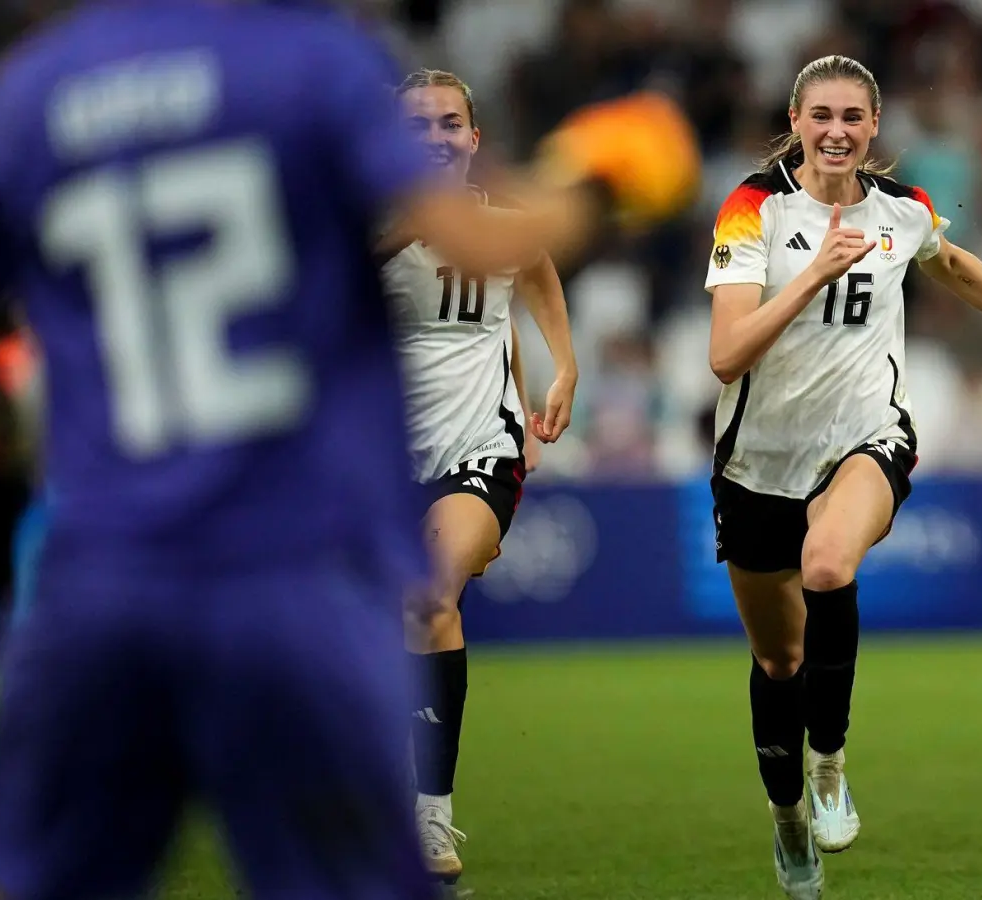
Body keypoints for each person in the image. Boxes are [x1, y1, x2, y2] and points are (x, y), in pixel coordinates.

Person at [0, 1, 698, 897]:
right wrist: (605, 173)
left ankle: (433, 806)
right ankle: (420, 812)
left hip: (98, 583)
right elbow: (487, 239)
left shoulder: (17, 99)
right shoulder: (308, 64)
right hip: (282, 572)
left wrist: (15, 433)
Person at [704, 54, 982, 900]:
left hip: (866, 434)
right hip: (756, 464)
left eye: (853, 116)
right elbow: (727, 354)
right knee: (779, 662)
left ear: (875, 125)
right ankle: (786, 822)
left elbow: (951, 263)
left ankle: (830, 764)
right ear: (796, 118)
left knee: (828, 566)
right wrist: (814, 270)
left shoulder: (904, 210)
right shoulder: (754, 211)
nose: (837, 131)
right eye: (821, 115)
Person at [382, 68, 577, 883]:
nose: (437, 139)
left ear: (474, 138)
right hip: (376, 462)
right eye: (418, 127)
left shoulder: (498, 221)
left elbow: (534, 266)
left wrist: (564, 364)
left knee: (429, 597)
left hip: (480, 450)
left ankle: (432, 820)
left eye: (450, 124)